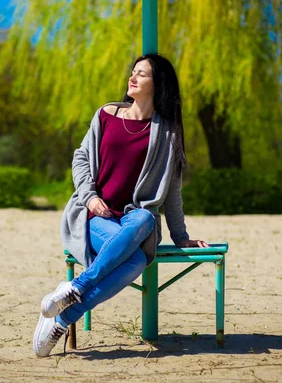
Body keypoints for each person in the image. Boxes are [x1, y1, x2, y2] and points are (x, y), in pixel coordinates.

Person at [33, 53, 208, 357]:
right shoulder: (106, 114)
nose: (133, 77)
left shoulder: (166, 133)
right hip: (93, 217)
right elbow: (81, 158)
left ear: (158, 84)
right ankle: (66, 311)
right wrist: (89, 197)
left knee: (144, 221)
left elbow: (171, 192)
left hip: (131, 224)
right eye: (133, 71)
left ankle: (69, 302)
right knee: (137, 261)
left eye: (142, 74)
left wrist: (181, 237)